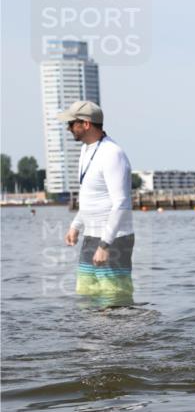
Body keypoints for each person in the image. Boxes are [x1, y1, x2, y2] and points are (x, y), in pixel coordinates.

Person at [59, 100, 135, 307]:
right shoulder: (86, 150)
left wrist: (105, 244)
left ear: (86, 124)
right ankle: (92, 339)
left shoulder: (112, 153)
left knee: (113, 296)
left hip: (114, 239)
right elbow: (90, 195)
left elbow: (121, 202)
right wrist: (76, 224)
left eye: (71, 123)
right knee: (86, 293)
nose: (68, 128)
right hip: (91, 235)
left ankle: (122, 338)